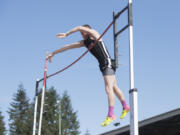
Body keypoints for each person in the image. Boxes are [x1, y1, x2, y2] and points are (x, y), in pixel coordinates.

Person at [48, 24, 130, 127]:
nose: (82, 34)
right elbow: (68, 47)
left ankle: (110, 115)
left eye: (83, 32)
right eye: (81, 34)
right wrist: (54, 53)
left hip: (107, 62)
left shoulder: (95, 35)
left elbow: (78, 27)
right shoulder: (85, 43)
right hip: (103, 65)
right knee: (113, 87)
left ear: (88, 30)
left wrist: (67, 34)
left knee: (108, 89)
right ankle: (125, 106)